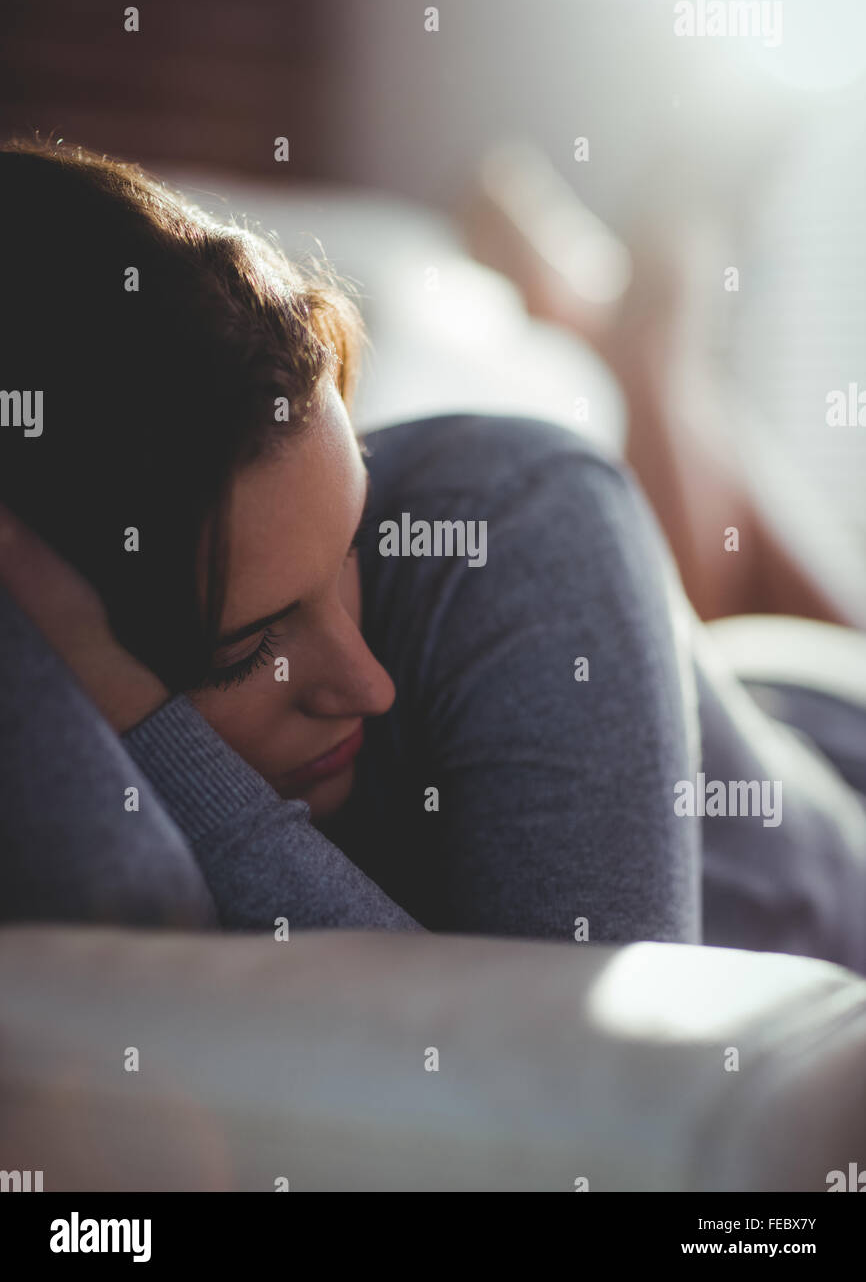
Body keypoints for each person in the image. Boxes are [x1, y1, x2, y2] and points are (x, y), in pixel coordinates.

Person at [1, 139, 864, 974]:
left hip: (832, 755)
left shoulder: (516, 526)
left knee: (603, 498)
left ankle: (642, 352)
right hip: (723, 684)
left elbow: (572, 1096)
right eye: (249, 647)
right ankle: (595, 318)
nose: (369, 686)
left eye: (348, 548)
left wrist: (150, 728)